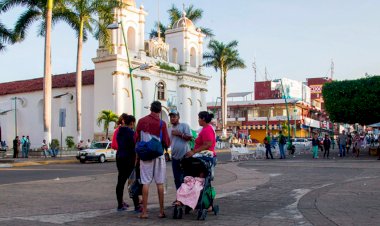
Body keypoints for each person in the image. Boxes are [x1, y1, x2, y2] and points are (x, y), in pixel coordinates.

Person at [134, 101, 170, 219]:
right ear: (160, 110)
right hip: (158, 156)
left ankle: (144, 212)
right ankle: (161, 211)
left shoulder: (141, 121)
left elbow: (136, 138)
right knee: (160, 183)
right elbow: (167, 142)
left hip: (145, 156)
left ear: (150, 109)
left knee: (145, 183)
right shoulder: (162, 123)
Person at [115, 113, 138, 212]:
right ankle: (137, 206)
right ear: (132, 123)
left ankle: (120, 204)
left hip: (120, 157)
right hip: (129, 159)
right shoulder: (131, 133)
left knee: (120, 181)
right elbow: (134, 146)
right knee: (132, 182)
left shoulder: (119, 131)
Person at [168, 110, 192, 191]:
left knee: (186, 178)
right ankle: (179, 198)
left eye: (174, 116)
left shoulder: (184, 126)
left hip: (185, 156)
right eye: (171, 117)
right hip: (175, 157)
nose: (172, 118)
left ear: (178, 117)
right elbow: (168, 142)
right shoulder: (169, 129)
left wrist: (180, 134)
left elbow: (190, 138)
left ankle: (187, 197)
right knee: (177, 179)